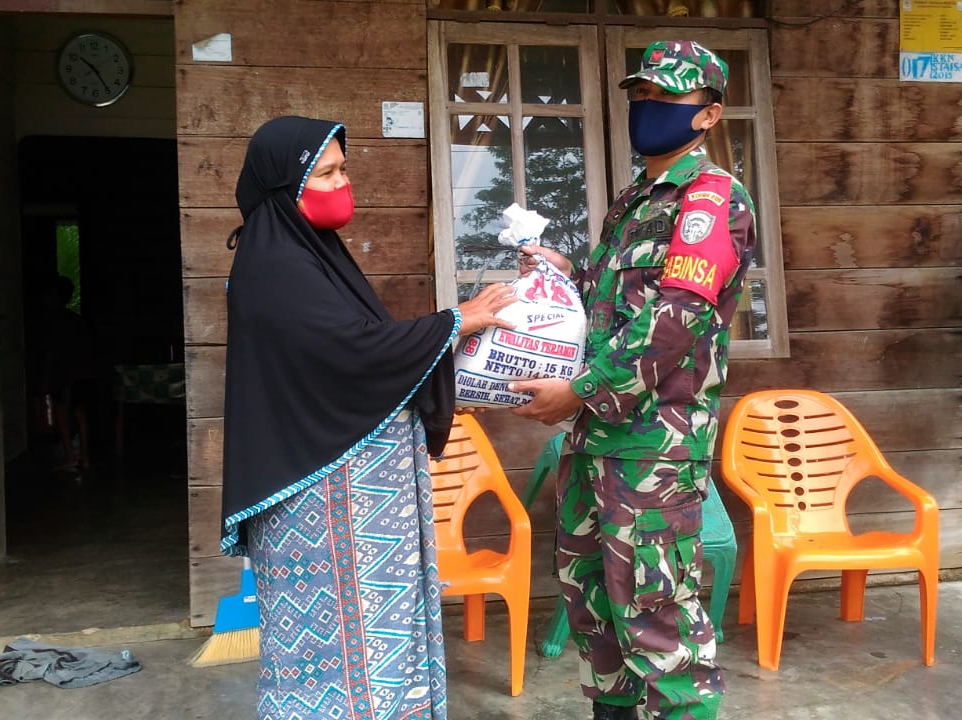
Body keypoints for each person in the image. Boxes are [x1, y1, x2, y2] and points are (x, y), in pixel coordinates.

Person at [218, 116, 515, 720]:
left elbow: (364, 344)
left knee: (380, 632)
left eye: (343, 168)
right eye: (326, 172)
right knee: (340, 643)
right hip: (323, 502)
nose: (342, 182)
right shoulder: (272, 266)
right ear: (283, 186)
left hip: (361, 505)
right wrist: (454, 322)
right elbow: (347, 352)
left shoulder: (312, 256)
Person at [510, 41, 759, 720]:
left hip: (653, 447)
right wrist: (567, 274)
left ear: (708, 115)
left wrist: (581, 391)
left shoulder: (711, 201)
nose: (646, 109)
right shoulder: (634, 203)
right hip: (596, 443)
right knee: (595, 612)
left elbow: (675, 318)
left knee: (657, 623)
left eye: (666, 98)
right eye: (640, 96)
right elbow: (613, 301)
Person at [40, 275, 105, 471]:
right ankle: (85, 457)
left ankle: (70, 456)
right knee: (80, 412)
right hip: (83, 372)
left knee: (61, 411)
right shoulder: (77, 320)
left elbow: (50, 352)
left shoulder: (52, 321)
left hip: (64, 374)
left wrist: (44, 379)